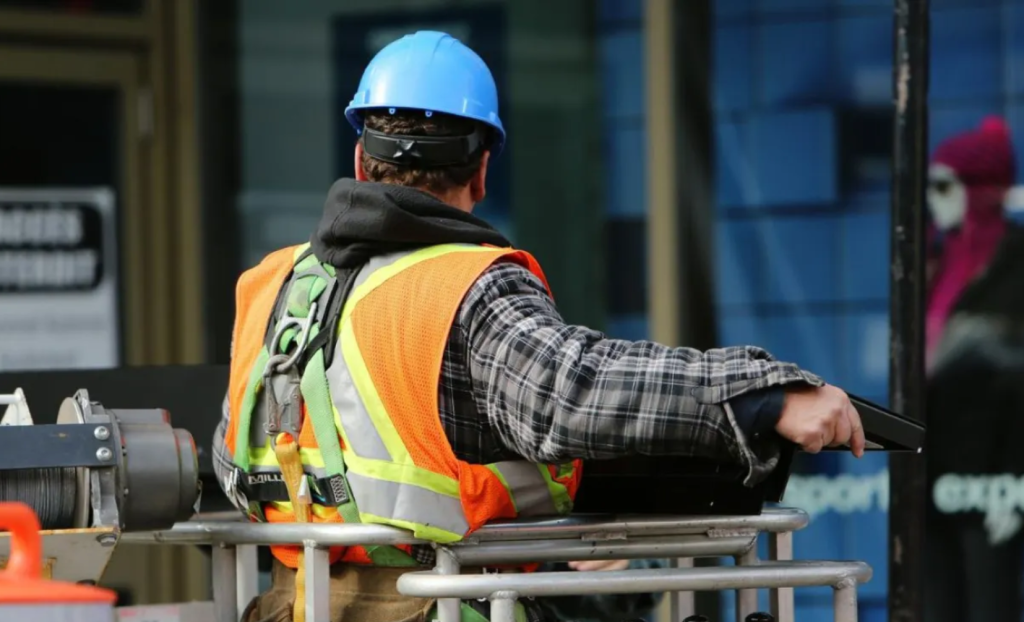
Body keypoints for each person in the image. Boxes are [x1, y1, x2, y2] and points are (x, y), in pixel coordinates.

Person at [212, 30, 865, 622]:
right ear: (484, 170)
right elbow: (569, 392)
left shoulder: (272, 285)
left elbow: (232, 458)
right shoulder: (465, 286)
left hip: (297, 606)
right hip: (439, 608)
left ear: (360, 161)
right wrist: (763, 394)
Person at [924, 117, 1024, 622]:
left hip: (992, 475)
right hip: (931, 471)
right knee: (936, 604)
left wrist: (1015, 481)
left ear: (978, 190)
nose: (933, 199)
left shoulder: (1015, 266)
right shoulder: (933, 264)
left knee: (990, 605)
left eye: (944, 185)